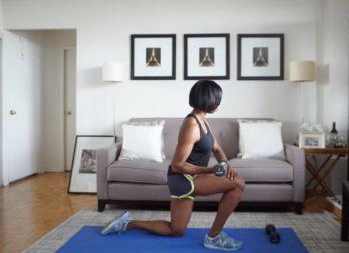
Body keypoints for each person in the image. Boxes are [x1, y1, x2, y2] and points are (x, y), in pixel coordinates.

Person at [101, 80, 245, 251]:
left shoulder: (203, 120)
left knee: (176, 230)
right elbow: (177, 165)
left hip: (193, 176)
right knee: (238, 184)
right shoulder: (192, 125)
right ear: (208, 100)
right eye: (217, 99)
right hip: (183, 179)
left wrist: (227, 167)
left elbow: (217, 149)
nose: (218, 103)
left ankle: (128, 224)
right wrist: (211, 170)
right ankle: (214, 237)